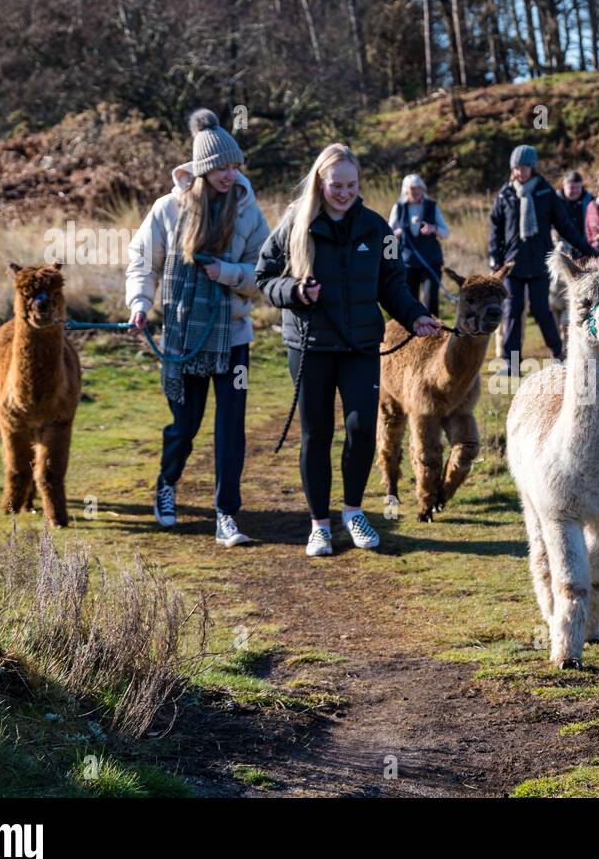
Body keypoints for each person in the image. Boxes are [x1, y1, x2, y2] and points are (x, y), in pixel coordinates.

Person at [256, 144, 441, 557]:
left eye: (351, 185)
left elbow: (392, 283)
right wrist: (295, 291)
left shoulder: (377, 229)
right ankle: (319, 524)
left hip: (360, 346)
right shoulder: (293, 224)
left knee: (360, 429)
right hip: (309, 346)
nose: (343, 192)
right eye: (336, 185)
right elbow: (264, 277)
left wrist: (415, 317)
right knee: (317, 434)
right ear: (320, 182)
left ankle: (354, 512)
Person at [125, 108, 270, 547]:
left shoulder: (248, 208)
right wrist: (139, 304)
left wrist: (226, 273)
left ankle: (226, 514)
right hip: (182, 338)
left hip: (235, 340)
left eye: (234, 165)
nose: (230, 173)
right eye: (222, 166)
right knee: (184, 426)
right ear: (203, 169)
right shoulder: (167, 210)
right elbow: (141, 261)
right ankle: (167, 486)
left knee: (231, 428)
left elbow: (263, 271)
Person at [488, 144, 597, 366]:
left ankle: (559, 355)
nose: (520, 172)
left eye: (524, 167)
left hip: (539, 263)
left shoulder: (545, 193)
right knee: (512, 311)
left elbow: (565, 226)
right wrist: (494, 258)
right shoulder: (505, 194)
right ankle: (512, 362)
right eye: (516, 168)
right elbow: (495, 229)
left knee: (541, 310)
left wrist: (589, 250)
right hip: (511, 265)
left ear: (533, 167)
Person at [389, 173, 450, 319]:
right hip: (408, 264)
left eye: (418, 188)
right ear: (405, 190)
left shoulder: (432, 206)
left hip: (431, 263)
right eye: (412, 189)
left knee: (431, 300)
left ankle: (434, 334)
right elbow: (387, 237)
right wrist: (395, 233)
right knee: (410, 302)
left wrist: (433, 228)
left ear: (423, 189)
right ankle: (412, 335)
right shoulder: (398, 207)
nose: (416, 192)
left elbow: (446, 233)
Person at [555, 170, 593, 258]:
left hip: (584, 245)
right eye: (571, 188)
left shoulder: (589, 200)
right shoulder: (554, 201)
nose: (575, 191)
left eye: (578, 188)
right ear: (563, 186)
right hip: (560, 245)